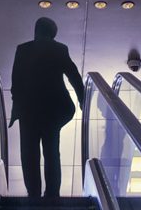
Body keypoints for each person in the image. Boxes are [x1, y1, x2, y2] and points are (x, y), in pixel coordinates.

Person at [9, 17, 85, 198]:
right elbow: (73, 75)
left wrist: (17, 104)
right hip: (53, 111)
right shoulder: (59, 49)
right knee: (52, 153)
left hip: (28, 111)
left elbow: (16, 81)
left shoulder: (23, 49)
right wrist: (83, 100)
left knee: (29, 156)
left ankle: (33, 193)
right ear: (53, 33)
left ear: (36, 30)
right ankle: (52, 194)